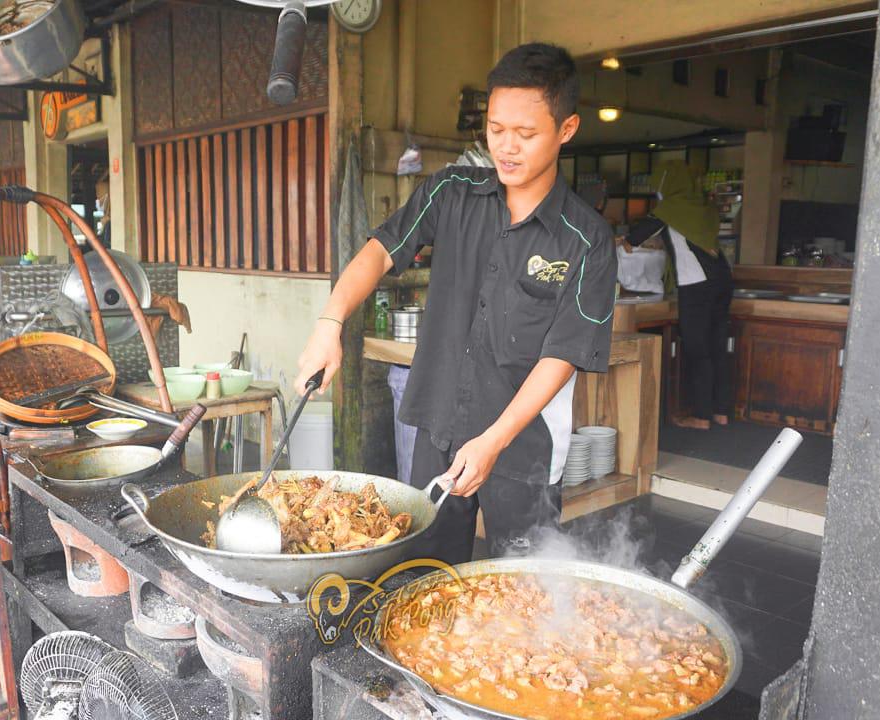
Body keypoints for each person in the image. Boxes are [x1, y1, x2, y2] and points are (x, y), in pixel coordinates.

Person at [295, 43, 618, 566]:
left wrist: (493, 440)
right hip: (439, 426)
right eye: (496, 130)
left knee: (523, 590)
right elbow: (379, 253)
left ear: (567, 129)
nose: (507, 147)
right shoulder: (451, 191)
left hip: (524, 445)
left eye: (526, 133)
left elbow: (563, 355)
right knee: (428, 576)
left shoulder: (586, 239)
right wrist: (329, 323)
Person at [625, 160, 732, 430]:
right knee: (717, 346)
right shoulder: (702, 206)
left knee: (698, 350)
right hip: (721, 279)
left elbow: (635, 237)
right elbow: (688, 238)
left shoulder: (670, 208)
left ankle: (700, 417)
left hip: (695, 283)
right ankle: (720, 411)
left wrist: (628, 241)